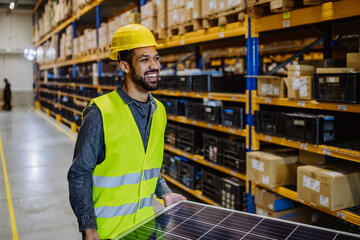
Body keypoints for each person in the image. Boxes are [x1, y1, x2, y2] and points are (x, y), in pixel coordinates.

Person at [67, 24, 186, 240]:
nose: (154, 66)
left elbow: (143, 166)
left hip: (145, 228)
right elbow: (79, 173)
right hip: (109, 232)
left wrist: (164, 192)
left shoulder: (159, 111)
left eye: (156, 58)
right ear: (125, 66)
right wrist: (88, 228)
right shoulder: (100, 112)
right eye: (144, 60)